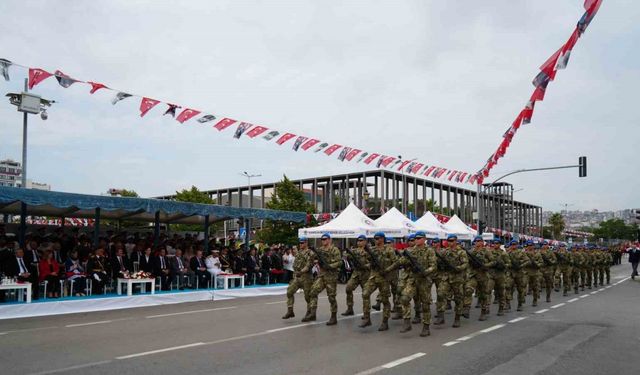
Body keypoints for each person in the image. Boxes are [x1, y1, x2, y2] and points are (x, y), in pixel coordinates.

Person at [386, 231, 437, 337]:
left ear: (424, 239)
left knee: (426, 305)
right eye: (416, 239)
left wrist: (425, 272)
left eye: (419, 238)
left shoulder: (429, 251)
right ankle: (407, 321)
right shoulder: (410, 251)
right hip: (412, 279)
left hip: (424, 280)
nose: (417, 240)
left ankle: (426, 327)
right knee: (404, 298)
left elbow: (433, 266)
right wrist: (389, 268)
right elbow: (400, 261)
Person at [359, 232, 396, 331]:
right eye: (375, 238)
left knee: (384, 300)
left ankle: (385, 321)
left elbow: (395, 263)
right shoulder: (372, 250)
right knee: (365, 294)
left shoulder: (389, 250)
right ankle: (367, 318)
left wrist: (387, 270)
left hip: (384, 278)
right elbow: (366, 260)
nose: (376, 240)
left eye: (378, 238)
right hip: (373, 276)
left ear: (383, 239)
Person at [304, 233, 342, 325]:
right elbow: (312, 257)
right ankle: (313, 313)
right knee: (313, 292)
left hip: (331, 276)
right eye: (322, 239)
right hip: (322, 275)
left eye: (325, 239)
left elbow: (339, 262)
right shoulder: (319, 250)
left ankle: (333, 316)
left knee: (331, 297)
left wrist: (329, 266)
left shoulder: (334, 250)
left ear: (329, 240)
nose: (323, 241)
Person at [434, 234, 468, 327]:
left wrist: (458, 268)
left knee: (458, 298)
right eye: (449, 241)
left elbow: (465, 264)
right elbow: (438, 261)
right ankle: (441, 316)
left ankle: (457, 318)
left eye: (452, 241)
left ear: (456, 241)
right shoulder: (445, 251)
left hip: (457, 278)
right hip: (446, 277)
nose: (450, 242)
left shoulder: (461, 252)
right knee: (440, 294)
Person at [282, 238, 313, 319]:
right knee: (289, 292)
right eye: (300, 243)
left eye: (302, 243)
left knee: (308, 297)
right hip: (297, 277)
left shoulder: (310, 253)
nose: (301, 244)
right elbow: (295, 264)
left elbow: (308, 265)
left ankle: (309, 312)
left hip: (306, 277)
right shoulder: (299, 253)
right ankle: (290, 311)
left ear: (306, 243)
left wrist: (301, 272)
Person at [341, 235, 371, 317]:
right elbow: (346, 256)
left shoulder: (369, 251)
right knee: (348, 288)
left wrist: (366, 266)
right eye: (358, 241)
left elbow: (373, 262)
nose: (359, 242)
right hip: (356, 273)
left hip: (365, 274)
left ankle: (366, 313)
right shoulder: (354, 251)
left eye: (361, 241)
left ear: (365, 241)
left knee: (365, 294)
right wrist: (347, 254)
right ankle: (350, 308)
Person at [524, 241, 543, 307]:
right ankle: (521, 300)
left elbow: (541, 263)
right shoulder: (524, 253)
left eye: (531, 245)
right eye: (528, 245)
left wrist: (536, 264)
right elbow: (520, 261)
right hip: (526, 272)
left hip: (535, 272)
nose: (530, 246)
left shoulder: (537, 254)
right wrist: (526, 263)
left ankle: (535, 300)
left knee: (535, 287)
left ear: (533, 246)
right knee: (523, 285)